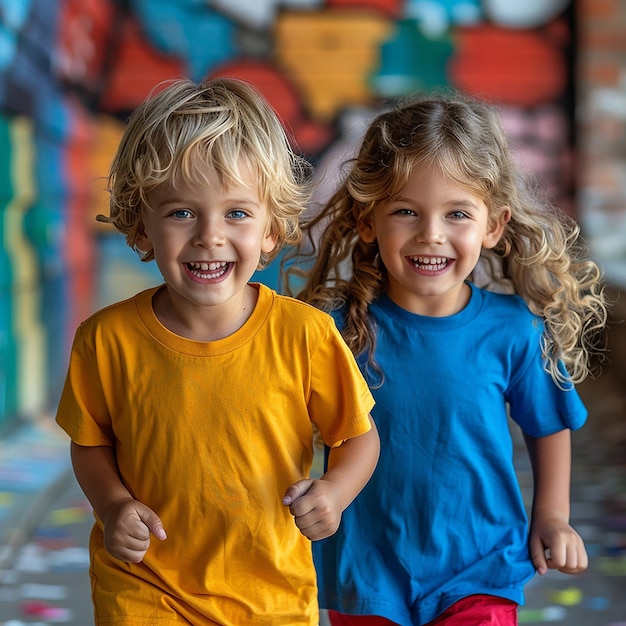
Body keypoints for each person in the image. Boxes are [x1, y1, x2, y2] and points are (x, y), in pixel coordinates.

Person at [55, 76, 379, 626]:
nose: (209, 235)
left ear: (272, 229)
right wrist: (112, 505)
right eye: (181, 212)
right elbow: (90, 444)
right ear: (141, 225)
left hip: (269, 593)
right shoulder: (105, 340)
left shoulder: (305, 335)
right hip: (144, 587)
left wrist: (335, 491)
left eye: (237, 213)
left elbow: (359, 437)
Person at [288, 92, 608, 625]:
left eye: (457, 213)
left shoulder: (514, 328)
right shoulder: (335, 329)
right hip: (366, 568)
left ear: (493, 226)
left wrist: (552, 516)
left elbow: (548, 423)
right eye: (406, 212)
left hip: (480, 564)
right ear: (369, 221)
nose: (431, 233)